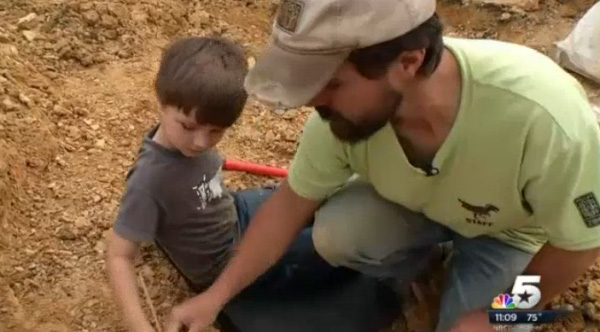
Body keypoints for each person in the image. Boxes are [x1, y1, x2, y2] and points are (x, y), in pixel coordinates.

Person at [166, 0, 600, 332]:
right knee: (338, 235)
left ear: (407, 62)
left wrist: (499, 314)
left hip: (505, 236)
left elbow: (580, 244)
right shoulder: (341, 119)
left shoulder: (543, 119)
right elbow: (287, 208)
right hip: (415, 206)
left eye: (331, 84)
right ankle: (421, 265)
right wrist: (217, 297)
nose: (314, 101)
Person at [106, 36, 334, 332]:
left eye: (216, 131)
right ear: (160, 103)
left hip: (233, 213)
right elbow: (118, 255)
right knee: (327, 248)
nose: (201, 142)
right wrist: (140, 327)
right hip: (222, 265)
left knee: (305, 200)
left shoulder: (187, 138)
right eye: (188, 126)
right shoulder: (149, 180)